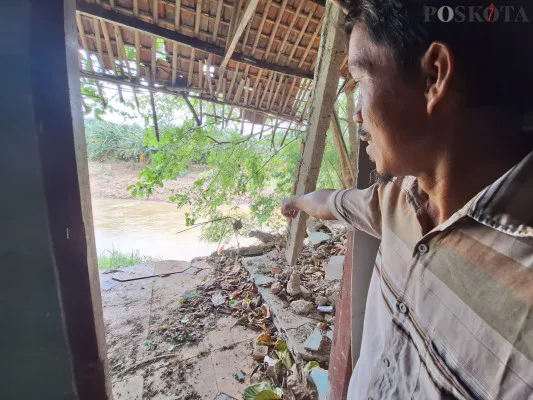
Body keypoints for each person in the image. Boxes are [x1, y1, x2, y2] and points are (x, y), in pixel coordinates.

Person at [282, 1, 533, 398]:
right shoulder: (397, 203)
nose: (358, 115)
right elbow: (332, 202)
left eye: (361, 81)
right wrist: (296, 201)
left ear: (434, 75)